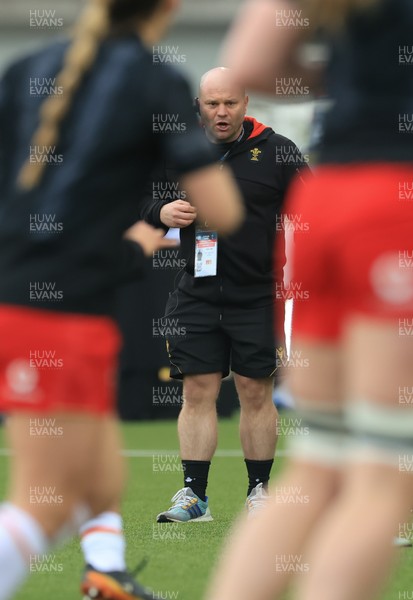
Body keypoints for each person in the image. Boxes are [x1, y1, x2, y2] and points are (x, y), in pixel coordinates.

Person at [0, 0, 244, 598]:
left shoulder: (27, 66)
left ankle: (104, 572)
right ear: (169, 7)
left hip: (43, 303)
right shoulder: (155, 80)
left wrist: (132, 237)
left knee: (103, 478)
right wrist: (147, 226)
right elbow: (224, 211)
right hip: (56, 318)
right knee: (42, 505)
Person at [205, 1, 413, 599]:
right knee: (383, 474)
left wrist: (351, 74)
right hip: (393, 207)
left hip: (330, 198)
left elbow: (250, 61)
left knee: (319, 465)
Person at [141, 66, 309, 523]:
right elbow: (140, 203)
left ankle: (259, 493)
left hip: (258, 294)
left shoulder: (279, 152)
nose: (220, 112)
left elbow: (314, 208)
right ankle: (195, 496)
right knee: (197, 390)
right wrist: (162, 210)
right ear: (199, 105)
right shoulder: (179, 151)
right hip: (195, 292)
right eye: (212, 103)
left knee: (256, 391)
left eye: (229, 103)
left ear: (246, 104)